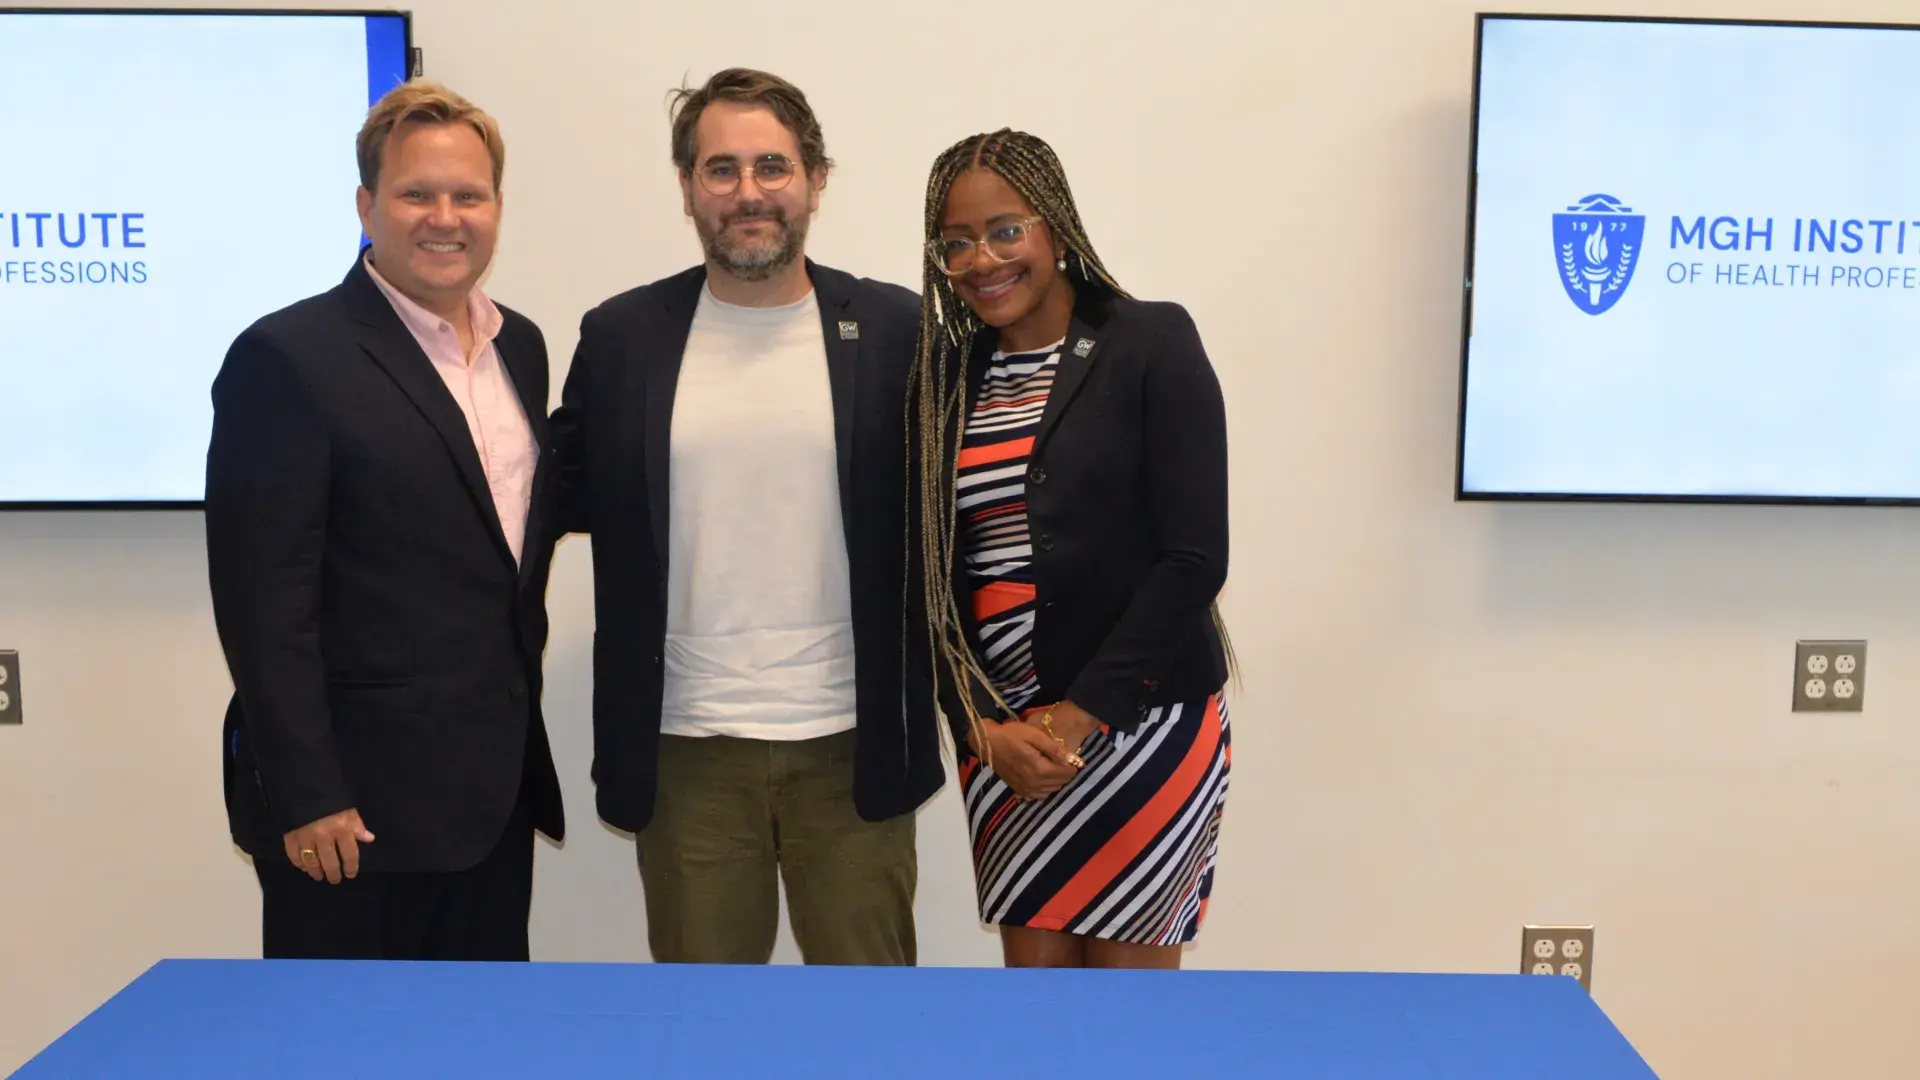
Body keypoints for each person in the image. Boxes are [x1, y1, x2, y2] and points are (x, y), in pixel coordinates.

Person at [549, 68, 943, 965]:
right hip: (688, 750)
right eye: (720, 170)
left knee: (869, 1027)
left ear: (816, 180)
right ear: (688, 188)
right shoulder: (621, 338)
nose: (749, 192)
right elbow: (546, 498)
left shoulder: (895, 331)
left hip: (853, 743)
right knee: (704, 1032)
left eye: (773, 165)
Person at [205, 79, 564, 961]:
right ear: (368, 206)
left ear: (497, 208)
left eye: (467, 195)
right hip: (351, 820)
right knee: (345, 1049)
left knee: (482, 1043)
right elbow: (263, 606)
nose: (444, 216)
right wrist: (307, 794)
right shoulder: (287, 358)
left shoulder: (521, 345)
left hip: (490, 799)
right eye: (415, 193)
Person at [908, 129, 1232, 969]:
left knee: (1128, 1003)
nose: (982, 259)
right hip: (1010, 741)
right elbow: (931, 580)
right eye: (957, 242)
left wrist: (1076, 716)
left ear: (1055, 227)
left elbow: (1195, 556)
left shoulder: (1150, 341)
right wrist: (982, 729)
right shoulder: (945, 379)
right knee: (1039, 1002)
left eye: (1006, 230)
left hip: (1144, 724)